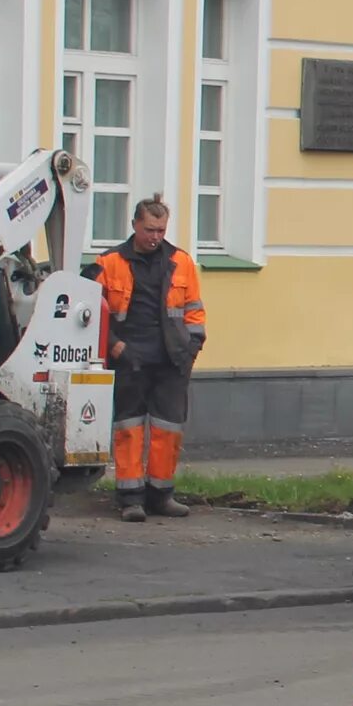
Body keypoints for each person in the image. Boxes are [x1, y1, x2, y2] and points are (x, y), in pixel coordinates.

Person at [91, 197, 206, 520]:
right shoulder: (109, 262)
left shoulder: (180, 261)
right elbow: (92, 314)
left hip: (172, 359)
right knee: (128, 428)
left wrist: (192, 347)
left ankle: (161, 495)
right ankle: (130, 499)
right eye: (149, 229)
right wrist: (113, 346)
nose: (155, 236)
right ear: (134, 226)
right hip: (129, 358)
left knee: (168, 430)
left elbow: (195, 309)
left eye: (160, 230)